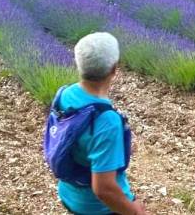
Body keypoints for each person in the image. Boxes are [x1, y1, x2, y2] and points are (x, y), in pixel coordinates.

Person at [51, 32, 145, 215]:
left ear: (79, 64)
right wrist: (134, 211)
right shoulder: (106, 121)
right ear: (114, 69)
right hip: (98, 208)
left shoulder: (65, 94)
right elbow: (103, 189)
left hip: (69, 195)